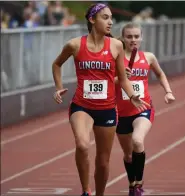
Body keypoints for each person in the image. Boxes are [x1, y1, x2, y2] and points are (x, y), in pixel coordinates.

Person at [52, 4, 149, 196]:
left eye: (111, 18)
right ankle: (86, 190)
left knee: (103, 161)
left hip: (107, 109)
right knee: (82, 144)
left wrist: (132, 96)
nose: (110, 22)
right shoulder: (74, 45)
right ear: (92, 20)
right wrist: (58, 87)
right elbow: (57, 64)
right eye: (105, 17)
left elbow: (122, 79)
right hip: (82, 105)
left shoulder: (116, 45)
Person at [115, 23, 176, 196]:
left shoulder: (148, 57)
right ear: (123, 38)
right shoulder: (115, 59)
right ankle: (132, 183)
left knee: (137, 141)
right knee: (128, 155)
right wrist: (119, 78)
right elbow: (107, 83)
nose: (133, 40)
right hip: (120, 113)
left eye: (136, 36)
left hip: (143, 108)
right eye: (129, 36)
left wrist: (168, 92)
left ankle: (138, 185)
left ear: (141, 38)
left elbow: (160, 74)